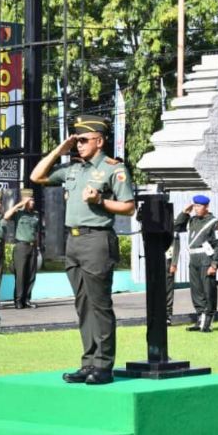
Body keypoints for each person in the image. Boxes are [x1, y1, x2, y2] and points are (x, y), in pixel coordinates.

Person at [30, 114, 135, 385]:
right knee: (83, 304)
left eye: (84, 140)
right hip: (73, 242)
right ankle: (88, 363)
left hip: (97, 240)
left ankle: (103, 365)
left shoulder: (114, 169)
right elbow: (36, 175)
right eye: (77, 140)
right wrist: (59, 150)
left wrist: (100, 200)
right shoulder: (74, 169)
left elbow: (128, 206)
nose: (79, 145)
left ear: (99, 141)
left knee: (99, 305)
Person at [175, 195, 218, 333]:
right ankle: (200, 319)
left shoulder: (214, 222)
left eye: (199, 206)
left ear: (206, 207)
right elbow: (177, 226)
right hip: (194, 258)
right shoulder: (192, 220)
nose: (196, 209)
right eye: (195, 206)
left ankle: (208, 322)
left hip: (206, 259)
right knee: (196, 291)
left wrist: (214, 264)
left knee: (208, 290)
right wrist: (185, 212)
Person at [4, 188, 41, 310]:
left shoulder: (35, 214)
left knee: (31, 274)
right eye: (30, 200)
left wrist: (37, 248)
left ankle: (27, 299)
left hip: (32, 247)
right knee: (20, 275)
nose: (33, 202)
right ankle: (18, 300)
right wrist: (19, 204)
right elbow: (6, 216)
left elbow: (36, 233)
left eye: (33, 199)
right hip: (21, 247)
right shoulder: (18, 213)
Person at [165, 232, 180, 325]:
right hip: (157, 263)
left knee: (168, 290)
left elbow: (176, 247)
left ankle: (168, 316)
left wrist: (174, 263)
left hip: (167, 263)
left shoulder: (172, 230)